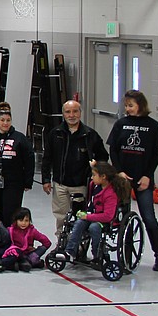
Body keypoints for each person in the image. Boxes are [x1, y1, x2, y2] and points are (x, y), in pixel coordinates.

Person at [106, 90, 158, 271]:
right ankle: (126, 253)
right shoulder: (120, 124)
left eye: (131, 105)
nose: (128, 109)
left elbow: (156, 154)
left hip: (143, 179)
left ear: (141, 105)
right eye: (126, 106)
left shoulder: (153, 126)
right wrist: (119, 172)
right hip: (123, 179)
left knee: (149, 218)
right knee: (123, 218)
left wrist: (148, 175)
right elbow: (114, 150)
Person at [41, 100, 109, 236]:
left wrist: (95, 166)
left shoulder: (90, 135)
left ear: (80, 113)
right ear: (63, 114)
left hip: (81, 184)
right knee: (61, 215)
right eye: (68, 112)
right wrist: (46, 179)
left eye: (75, 111)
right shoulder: (55, 134)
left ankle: (78, 244)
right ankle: (61, 241)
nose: (71, 115)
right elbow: (47, 158)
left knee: (80, 216)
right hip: (60, 183)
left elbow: (103, 157)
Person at [55, 163, 130, 265]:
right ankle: (70, 252)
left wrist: (88, 216)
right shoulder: (94, 185)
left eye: (94, 175)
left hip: (103, 221)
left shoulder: (111, 194)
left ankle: (97, 255)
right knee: (79, 223)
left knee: (94, 227)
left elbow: (108, 216)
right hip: (91, 215)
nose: (92, 177)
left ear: (103, 177)